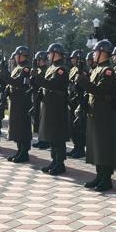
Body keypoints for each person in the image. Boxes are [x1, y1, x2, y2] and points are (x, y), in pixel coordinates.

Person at [77, 40, 116, 191]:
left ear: (103, 52)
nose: (94, 54)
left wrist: (83, 82)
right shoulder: (97, 69)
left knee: (104, 146)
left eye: (96, 52)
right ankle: (99, 175)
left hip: (104, 113)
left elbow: (100, 91)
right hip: (95, 112)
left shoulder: (108, 71)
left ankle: (106, 179)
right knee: (96, 145)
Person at [33, 43, 70, 176]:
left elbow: (53, 85)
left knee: (58, 136)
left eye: (50, 53)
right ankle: (54, 160)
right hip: (49, 105)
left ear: (56, 54)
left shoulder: (61, 69)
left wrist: (37, 78)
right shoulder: (51, 68)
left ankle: (60, 163)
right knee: (52, 136)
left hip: (57, 106)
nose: (48, 55)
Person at [0, 46, 33, 163]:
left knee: (22, 126)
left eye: (17, 55)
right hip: (15, 100)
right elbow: (11, 83)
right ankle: (19, 150)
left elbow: (18, 82)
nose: (15, 58)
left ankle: (24, 152)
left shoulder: (26, 69)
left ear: (22, 56)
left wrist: (5, 76)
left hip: (23, 101)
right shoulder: (17, 68)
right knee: (16, 126)